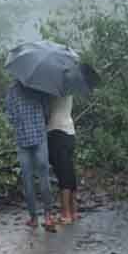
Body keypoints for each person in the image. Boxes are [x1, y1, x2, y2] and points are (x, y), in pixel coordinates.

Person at [5, 80, 52, 229]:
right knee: (44, 177)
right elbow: (47, 111)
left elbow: (10, 115)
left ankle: (33, 218)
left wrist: (19, 123)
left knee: (28, 180)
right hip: (39, 137)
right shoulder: (39, 87)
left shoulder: (12, 90)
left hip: (22, 139)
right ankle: (48, 216)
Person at [47, 94, 78, 224]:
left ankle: (65, 213)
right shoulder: (68, 87)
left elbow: (47, 112)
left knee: (62, 174)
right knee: (69, 171)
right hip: (70, 132)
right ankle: (73, 211)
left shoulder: (50, 90)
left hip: (56, 132)